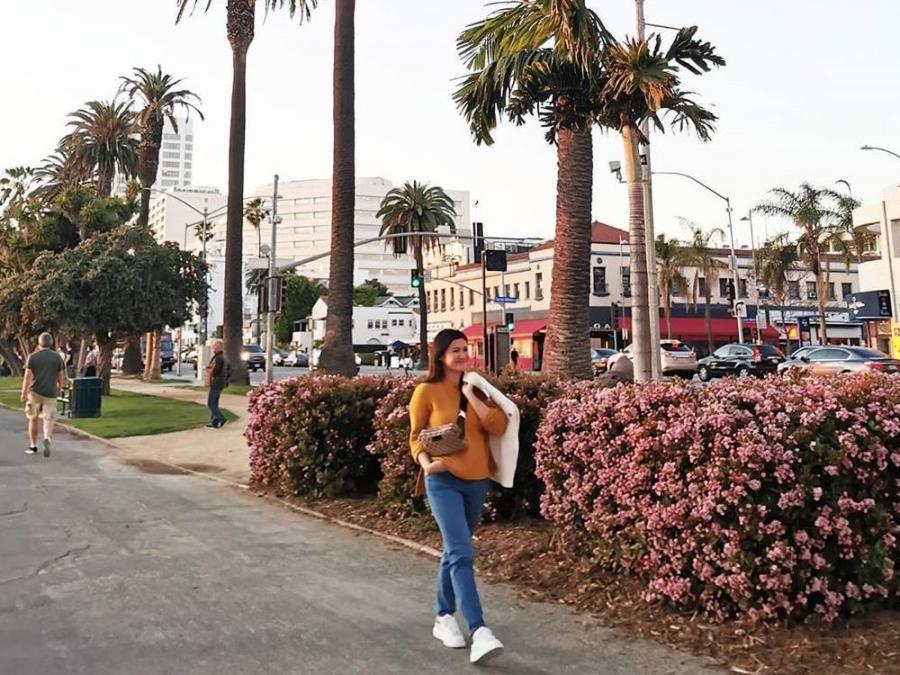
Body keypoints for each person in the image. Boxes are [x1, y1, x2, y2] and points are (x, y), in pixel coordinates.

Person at [408, 329, 508, 665]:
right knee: (463, 552)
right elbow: (415, 437)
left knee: (455, 552)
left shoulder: (477, 387)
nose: (463, 355)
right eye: (455, 350)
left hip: (477, 481)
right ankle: (480, 630)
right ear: (440, 355)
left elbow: (498, 426)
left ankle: (443, 616)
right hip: (444, 481)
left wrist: (472, 396)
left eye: (466, 349)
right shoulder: (426, 391)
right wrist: (426, 464)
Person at [20, 332, 66, 457]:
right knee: (48, 418)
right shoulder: (57, 357)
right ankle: (47, 438)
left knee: (33, 419)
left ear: (39, 343)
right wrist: (59, 387)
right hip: (50, 392)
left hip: (35, 392)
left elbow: (27, 376)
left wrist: (24, 392)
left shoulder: (32, 357)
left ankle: (33, 445)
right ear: (51, 343)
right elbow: (60, 375)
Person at [204, 340, 228, 429]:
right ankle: (215, 422)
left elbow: (216, 371)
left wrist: (208, 370)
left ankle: (221, 418)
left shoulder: (219, 358)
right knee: (215, 403)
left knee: (211, 404)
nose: (212, 348)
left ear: (218, 347)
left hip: (216, 383)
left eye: (213, 347)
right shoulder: (220, 357)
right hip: (219, 383)